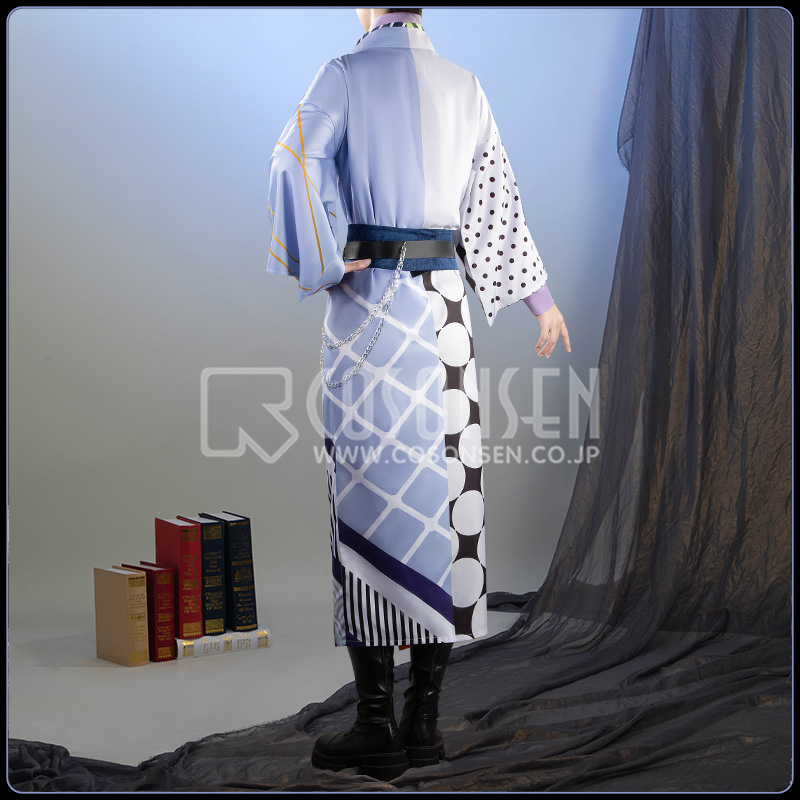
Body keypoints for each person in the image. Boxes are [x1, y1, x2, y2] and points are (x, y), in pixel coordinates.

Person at [266, 7, 570, 780]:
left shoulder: (341, 75)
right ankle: (425, 723)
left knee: (368, 498)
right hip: (444, 318)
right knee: (446, 503)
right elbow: (495, 208)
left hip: (370, 311)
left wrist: (328, 256)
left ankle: (375, 723)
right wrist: (542, 304)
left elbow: (292, 161)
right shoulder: (464, 85)